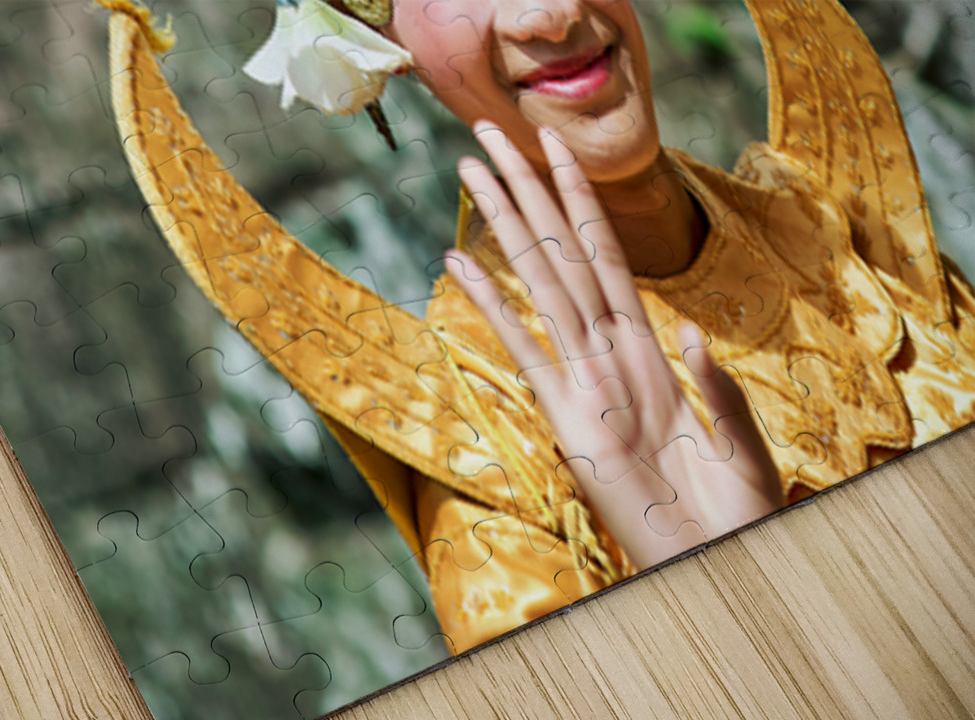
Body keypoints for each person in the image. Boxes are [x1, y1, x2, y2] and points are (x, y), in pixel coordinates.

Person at [101, 0, 975, 654]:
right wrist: (716, 583)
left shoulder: (831, 230)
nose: (548, 12)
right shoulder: (497, 461)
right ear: (380, 41)